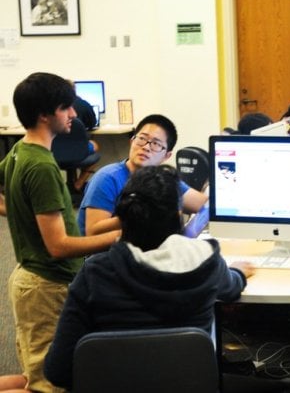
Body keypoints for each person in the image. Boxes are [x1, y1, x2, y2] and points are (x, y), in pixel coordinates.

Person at [44, 165, 255, 390]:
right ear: (177, 216)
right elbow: (231, 288)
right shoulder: (207, 261)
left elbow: (58, 371)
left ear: (123, 217)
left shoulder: (95, 273)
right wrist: (239, 272)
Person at [0, 72, 120, 393]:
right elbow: (59, 246)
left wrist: (22, 211)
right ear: (44, 115)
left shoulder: (19, 152)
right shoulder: (41, 166)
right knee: (48, 386)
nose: (73, 114)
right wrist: (121, 237)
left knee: (33, 377)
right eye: (66, 107)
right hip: (46, 285)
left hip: (32, 279)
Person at [76, 114, 208, 236]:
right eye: (142, 139)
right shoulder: (107, 178)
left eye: (156, 144)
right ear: (131, 142)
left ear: (166, 156)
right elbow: (93, 231)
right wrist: (142, 216)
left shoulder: (162, 181)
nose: (145, 147)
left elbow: (207, 205)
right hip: (103, 256)